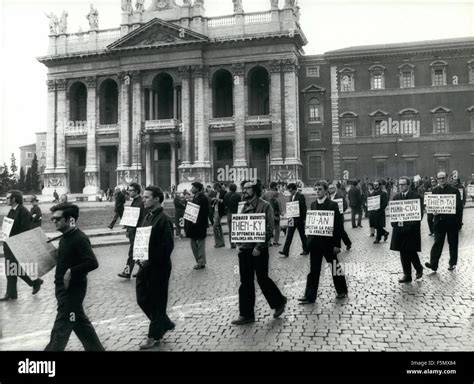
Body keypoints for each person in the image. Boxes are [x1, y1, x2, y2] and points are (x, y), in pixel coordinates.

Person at [45, 203, 104, 351]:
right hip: (63, 288)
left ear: (70, 219)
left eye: (58, 218)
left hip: (72, 291)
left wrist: (71, 271)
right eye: (52, 218)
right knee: (79, 323)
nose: (54, 221)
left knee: (61, 329)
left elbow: (92, 262)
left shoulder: (79, 238)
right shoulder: (65, 237)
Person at [231, 180, 287, 325]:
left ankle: (279, 301)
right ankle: (246, 314)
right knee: (245, 282)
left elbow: (269, 229)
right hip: (244, 249)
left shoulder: (265, 206)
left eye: (247, 189)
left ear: (254, 190)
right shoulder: (243, 206)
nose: (244, 191)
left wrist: (259, 246)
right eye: (243, 189)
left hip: (258, 250)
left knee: (262, 279)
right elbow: (240, 226)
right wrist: (238, 243)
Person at [135, 186, 175, 350]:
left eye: (146, 197)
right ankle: (164, 323)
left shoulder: (163, 218)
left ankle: (154, 336)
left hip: (158, 266)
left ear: (157, 199)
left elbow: (167, 246)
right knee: (142, 298)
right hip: (145, 264)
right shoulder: (148, 216)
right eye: (143, 197)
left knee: (157, 301)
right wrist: (138, 255)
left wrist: (149, 260)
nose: (143, 199)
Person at [298, 181, 348, 304]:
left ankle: (342, 290)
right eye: (316, 189)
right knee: (313, 270)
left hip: (329, 243)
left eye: (320, 189)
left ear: (326, 191)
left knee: (334, 267)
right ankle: (310, 295)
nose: (317, 191)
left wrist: (337, 244)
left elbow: (338, 226)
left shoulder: (333, 205)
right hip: (315, 243)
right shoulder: (313, 204)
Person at [1, 191, 43, 301]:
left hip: (16, 244)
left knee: (13, 268)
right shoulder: (12, 210)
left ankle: (34, 282)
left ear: (14, 199)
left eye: (8, 198)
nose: (6, 200)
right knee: (10, 269)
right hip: (9, 244)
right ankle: (12, 293)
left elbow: (26, 229)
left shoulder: (23, 211)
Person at [425, 172, 463, 272]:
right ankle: (433, 264)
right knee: (437, 243)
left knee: (453, 243)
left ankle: (452, 263)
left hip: (452, 222)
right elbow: (431, 206)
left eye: (443, 178)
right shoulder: (434, 190)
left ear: (446, 178)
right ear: (437, 180)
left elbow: (459, 208)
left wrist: (459, 222)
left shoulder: (454, 191)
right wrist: (433, 213)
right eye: (439, 178)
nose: (441, 180)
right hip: (439, 222)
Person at [390, 177, 424, 283]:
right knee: (403, 252)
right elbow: (393, 214)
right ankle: (408, 274)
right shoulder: (396, 198)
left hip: (411, 229)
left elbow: (419, 214)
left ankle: (417, 268)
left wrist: (409, 226)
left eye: (403, 184)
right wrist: (395, 224)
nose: (401, 186)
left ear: (408, 185)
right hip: (399, 229)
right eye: (399, 185)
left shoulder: (416, 197)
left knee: (410, 250)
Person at [118, 183, 145, 279]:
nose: (128, 192)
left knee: (133, 253)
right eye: (128, 190)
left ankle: (127, 272)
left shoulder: (140, 202)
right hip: (134, 231)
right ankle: (142, 271)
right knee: (139, 253)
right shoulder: (136, 201)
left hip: (138, 231)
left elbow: (140, 218)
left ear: (136, 191)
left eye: (131, 190)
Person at [279, 183, 309, 257]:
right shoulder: (291, 196)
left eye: (290, 189)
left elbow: (303, 207)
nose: (289, 191)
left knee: (302, 235)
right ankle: (285, 251)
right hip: (292, 219)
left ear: (293, 189)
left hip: (299, 219)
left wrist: (304, 218)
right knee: (289, 235)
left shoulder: (300, 196)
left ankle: (306, 250)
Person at [184, 182, 209, 270]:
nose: (191, 189)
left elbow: (204, 212)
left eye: (193, 187)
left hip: (199, 225)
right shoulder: (196, 197)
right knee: (194, 243)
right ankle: (199, 261)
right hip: (195, 224)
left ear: (198, 189)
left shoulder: (202, 198)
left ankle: (201, 262)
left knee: (200, 244)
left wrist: (196, 221)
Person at [328, 183, 352, 251]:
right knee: (336, 232)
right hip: (331, 217)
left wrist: (341, 211)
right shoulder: (328, 197)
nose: (330, 189)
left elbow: (345, 205)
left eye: (332, 188)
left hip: (339, 217)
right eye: (329, 188)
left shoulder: (340, 196)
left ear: (335, 188)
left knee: (341, 231)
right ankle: (338, 246)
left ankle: (347, 243)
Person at [262, 182, 283, 246]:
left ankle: (268, 242)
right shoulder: (276, 193)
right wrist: (281, 211)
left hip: (267, 212)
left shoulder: (265, 194)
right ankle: (275, 241)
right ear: (274, 186)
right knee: (277, 227)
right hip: (275, 212)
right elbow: (278, 202)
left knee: (268, 227)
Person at [223, 183, 242, 249]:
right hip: (237, 213)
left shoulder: (226, 195)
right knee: (238, 228)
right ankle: (238, 243)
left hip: (229, 213)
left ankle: (232, 244)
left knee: (230, 229)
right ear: (236, 188)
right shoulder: (238, 195)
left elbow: (224, 204)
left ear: (229, 188)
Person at [372, 180, 389, 244]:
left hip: (380, 212)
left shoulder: (383, 193)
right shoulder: (372, 194)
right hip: (374, 212)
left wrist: (379, 208)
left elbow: (385, 203)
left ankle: (378, 239)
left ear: (379, 186)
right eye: (374, 185)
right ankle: (385, 233)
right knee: (376, 226)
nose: (375, 186)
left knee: (379, 226)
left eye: (376, 185)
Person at [212, 183, 227, 248]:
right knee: (218, 226)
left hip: (220, 211)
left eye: (216, 188)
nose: (215, 190)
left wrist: (218, 200)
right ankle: (221, 242)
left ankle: (218, 242)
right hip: (216, 210)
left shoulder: (224, 192)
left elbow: (225, 201)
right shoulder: (216, 193)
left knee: (215, 226)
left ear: (218, 187)